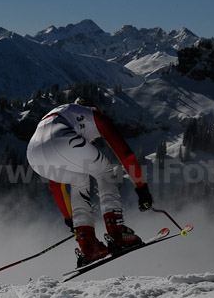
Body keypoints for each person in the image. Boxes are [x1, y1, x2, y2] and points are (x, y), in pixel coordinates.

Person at [27, 97, 153, 266]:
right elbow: (125, 154)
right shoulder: (95, 115)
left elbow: (55, 186)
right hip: (61, 139)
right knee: (105, 170)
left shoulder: (62, 113)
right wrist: (142, 188)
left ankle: (88, 245)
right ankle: (117, 232)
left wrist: (70, 219)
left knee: (79, 178)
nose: (94, 141)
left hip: (33, 155)